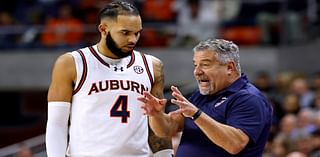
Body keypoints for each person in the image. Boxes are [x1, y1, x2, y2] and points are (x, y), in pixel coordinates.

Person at [45, 1, 173, 157]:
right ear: (103, 29)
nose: (133, 39)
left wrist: (166, 154)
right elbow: (57, 124)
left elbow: (157, 122)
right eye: (125, 33)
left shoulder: (153, 65)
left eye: (137, 33)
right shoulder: (72, 63)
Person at [138, 38, 273, 156]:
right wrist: (156, 114)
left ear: (230, 67)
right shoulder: (201, 95)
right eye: (195, 65)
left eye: (205, 65)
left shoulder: (248, 98)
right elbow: (167, 129)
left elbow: (235, 144)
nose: (197, 71)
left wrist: (197, 114)